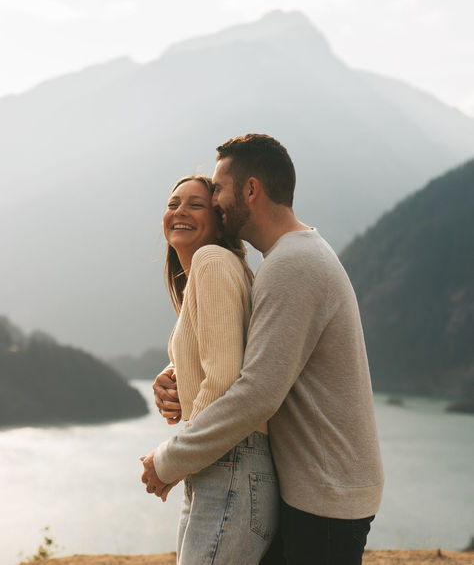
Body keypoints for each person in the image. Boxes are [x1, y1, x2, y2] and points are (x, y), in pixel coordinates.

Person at [144, 135, 384, 565]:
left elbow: (256, 393)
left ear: (250, 190)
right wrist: (178, 369)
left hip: (325, 493)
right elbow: (254, 347)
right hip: (313, 485)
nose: (214, 201)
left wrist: (169, 460)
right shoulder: (285, 258)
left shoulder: (292, 264)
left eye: (217, 189)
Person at [140, 174, 278, 565]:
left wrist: (173, 460)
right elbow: (220, 362)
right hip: (227, 461)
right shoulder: (214, 269)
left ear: (220, 221)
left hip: (229, 459)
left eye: (195, 204)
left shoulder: (211, 260)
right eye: (172, 204)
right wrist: (176, 377)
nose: (179, 211)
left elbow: (223, 381)